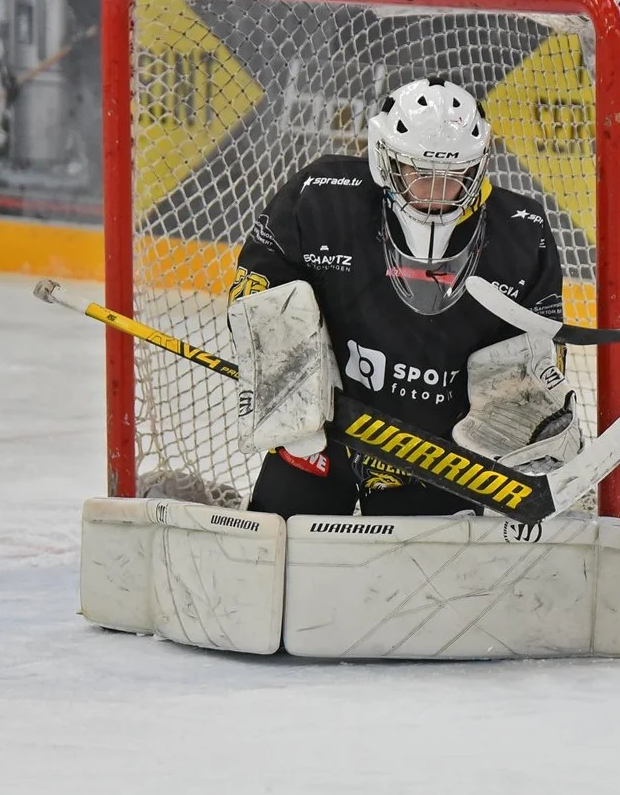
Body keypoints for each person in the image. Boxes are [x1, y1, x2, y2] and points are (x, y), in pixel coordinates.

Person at [225, 75, 580, 517]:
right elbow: (259, 290)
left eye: (452, 177)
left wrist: (531, 415)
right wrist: (288, 393)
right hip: (326, 431)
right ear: (386, 160)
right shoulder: (322, 200)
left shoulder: (522, 234)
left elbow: (536, 349)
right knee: (273, 544)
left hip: (437, 454)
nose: (435, 193)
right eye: (420, 174)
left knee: (423, 580)